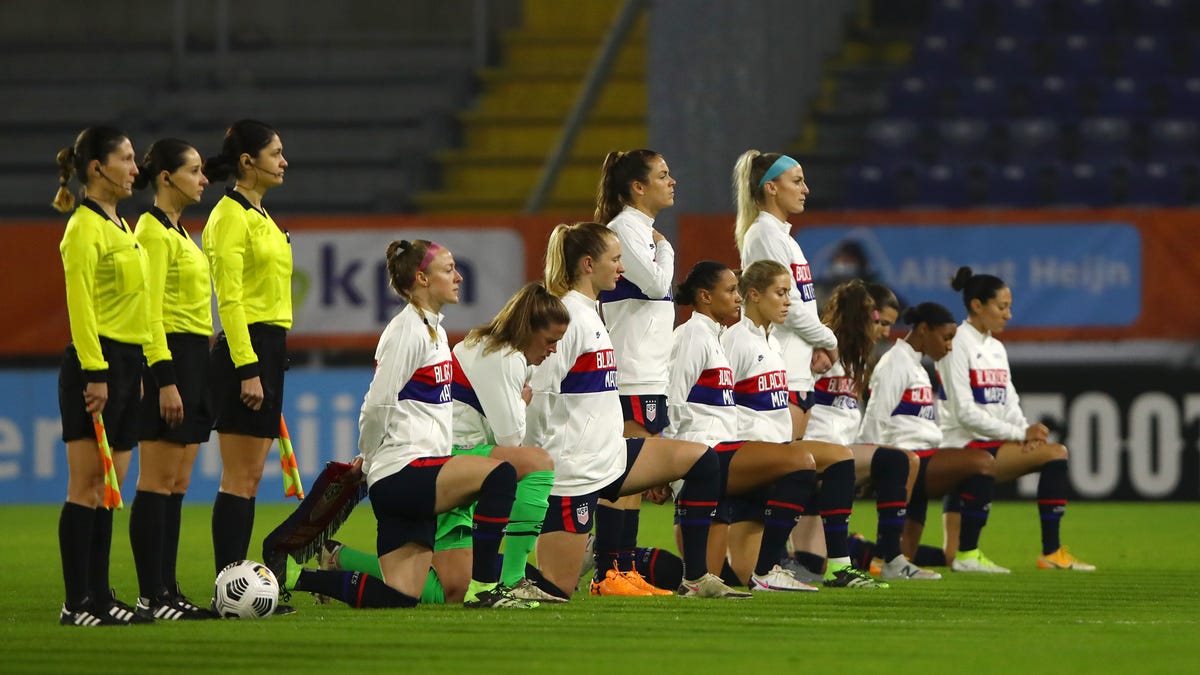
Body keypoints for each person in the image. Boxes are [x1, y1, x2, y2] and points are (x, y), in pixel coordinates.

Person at [283, 240, 533, 608]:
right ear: (422, 279)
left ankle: (298, 576)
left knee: (401, 597)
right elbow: (377, 404)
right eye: (448, 269)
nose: (458, 276)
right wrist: (367, 460)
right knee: (501, 475)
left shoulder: (432, 332)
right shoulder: (407, 332)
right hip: (405, 472)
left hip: (405, 480)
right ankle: (485, 590)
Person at [527, 222, 744, 599]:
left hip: (608, 455)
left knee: (702, 461)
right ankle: (478, 568)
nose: (623, 268)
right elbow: (540, 393)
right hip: (573, 469)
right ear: (589, 264)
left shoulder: (592, 313)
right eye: (616, 259)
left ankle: (695, 578)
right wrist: (535, 463)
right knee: (554, 591)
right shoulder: (568, 317)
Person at [721, 261, 879, 588]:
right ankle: (769, 568)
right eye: (780, 293)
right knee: (800, 461)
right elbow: (720, 405)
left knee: (839, 456)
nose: (788, 302)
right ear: (753, 294)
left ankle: (837, 564)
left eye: (790, 293)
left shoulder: (774, 344)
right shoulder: (734, 341)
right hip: (741, 451)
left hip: (773, 451)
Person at [666, 261, 819, 592]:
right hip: (704, 451)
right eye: (731, 290)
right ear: (706, 296)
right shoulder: (693, 335)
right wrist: (670, 466)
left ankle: (758, 570)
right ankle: (770, 567)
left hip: (721, 450)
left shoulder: (717, 337)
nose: (737, 298)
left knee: (709, 581)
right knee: (801, 461)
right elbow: (674, 400)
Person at [53, 126, 154, 626]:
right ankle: (77, 602)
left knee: (110, 484)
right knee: (88, 484)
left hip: (125, 364)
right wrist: (96, 372)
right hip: (96, 365)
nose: (136, 168)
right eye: (128, 158)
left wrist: (132, 369)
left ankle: (99, 593)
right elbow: (82, 308)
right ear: (98, 169)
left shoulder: (122, 226)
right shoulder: (84, 228)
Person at [936, 267, 1094, 571]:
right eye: (1002, 306)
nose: (1009, 314)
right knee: (1056, 454)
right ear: (977, 306)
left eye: (1009, 306)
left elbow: (1009, 400)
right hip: (961, 445)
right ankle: (1051, 552)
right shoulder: (956, 344)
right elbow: (964, 413)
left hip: (990, 443)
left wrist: (1025, 429)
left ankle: (869, 552)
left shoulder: (995, 347)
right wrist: (1019, 433)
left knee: (949, 558)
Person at [201, 120, 293, 583]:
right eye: (275, 153)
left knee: (251, 478)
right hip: (248, 351)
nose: (284, 161)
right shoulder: (228, 216)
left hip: (268, 349)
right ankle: (229, 585)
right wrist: (248, 366)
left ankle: (233, 582)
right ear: (247, 162)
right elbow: (230, 299)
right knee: (238, 478)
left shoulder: (260, 215)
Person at [128, 139, 215, 619]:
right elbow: (150, 310)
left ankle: (168, 590)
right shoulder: (152, 231)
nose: (204, 179)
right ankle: (152, 594)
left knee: (177, 483)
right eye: (195, 170)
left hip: (193, 357)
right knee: (157, 480)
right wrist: (163, 378)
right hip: (171, 360)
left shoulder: (181, 233)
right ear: (166, 177)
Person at [801, 280, 937, 581]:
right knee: (810, 565)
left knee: (902, 460)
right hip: (813, 450)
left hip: (842, 452)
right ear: (863, 316)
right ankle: (879, 554)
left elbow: (849, 415)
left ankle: (888, 556)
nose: (885, 331)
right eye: (880, 321)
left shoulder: (858, 358)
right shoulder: (817, 348)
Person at [858, 302, 1002, 574]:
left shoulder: (915, 365)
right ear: (923, 329)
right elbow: (876, 416)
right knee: (981, 462)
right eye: (946, 337)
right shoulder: (896, 362)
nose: (949, 346)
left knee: (902, 555)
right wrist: (870, 462)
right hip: (907, 458)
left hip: (918, 457)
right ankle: (967, 554)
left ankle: (860, 550)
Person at [591, 149, 678, 596]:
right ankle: (610, 572)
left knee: (634, 478)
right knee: (623, 475)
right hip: (631, 373)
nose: (672, 181)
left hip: (647, 374)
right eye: (663, 175)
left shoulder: (638, 229)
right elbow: (658, 285)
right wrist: (667, 248)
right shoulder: (627, 228)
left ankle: (624, 569)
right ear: (637, 187)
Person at [732, 150, 838, 441]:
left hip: (799, 372)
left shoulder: (785, 239)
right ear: (771, 187)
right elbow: (784, 306)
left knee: (798, 474)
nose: (806, 189)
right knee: (790, 474)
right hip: (781, 374)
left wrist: (814, 344)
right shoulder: (763, 235)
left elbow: (801, 303)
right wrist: (827, 339)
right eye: (797, 181)